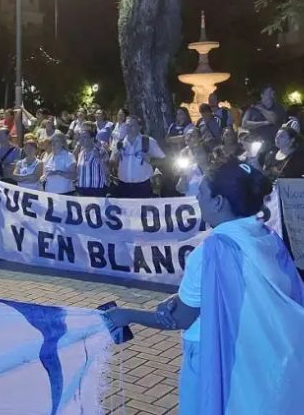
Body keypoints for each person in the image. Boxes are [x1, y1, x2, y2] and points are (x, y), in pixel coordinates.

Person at [105, 158, 304, 415]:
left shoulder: (213, 249)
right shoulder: (266, 236)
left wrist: (127, 315)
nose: (197, 199)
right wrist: (180, 295)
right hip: (262, 351)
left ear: (218, 201)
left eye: (201, 193)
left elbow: (181, 319)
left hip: (215, 351)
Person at [112, 117, 166, 198]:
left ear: (139, 127)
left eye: (132, 125)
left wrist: (151, 160)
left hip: (143, 187)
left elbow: (164, 160)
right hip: (123, 186)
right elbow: (112, 163)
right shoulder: (120, 144)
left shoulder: (148, 141)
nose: (129, 128)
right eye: (127, 125)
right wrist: (115, 158)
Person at [75, 124, 110, 197]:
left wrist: (99, 158)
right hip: (82, 190)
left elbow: (107, 171)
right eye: (80, 137)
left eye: (84, 137)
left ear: (92, 139)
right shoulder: (81, 153)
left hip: (97, 191)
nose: (81, 139)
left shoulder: (101, 151)